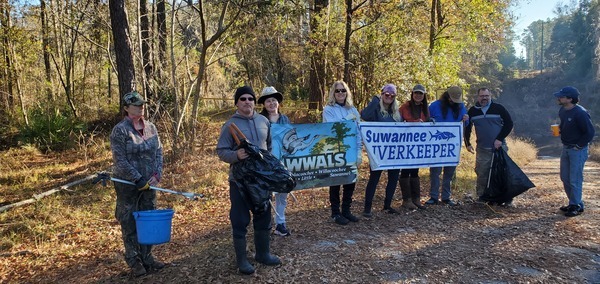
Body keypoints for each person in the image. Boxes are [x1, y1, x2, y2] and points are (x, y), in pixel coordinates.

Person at [216, 86, 281, 275]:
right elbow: (221, 151)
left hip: (261, 180)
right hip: (240, 180)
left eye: (250, 99)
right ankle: (242, 261)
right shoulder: (229, 125)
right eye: (242, 99)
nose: (247, 102)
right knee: (240, 218)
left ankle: (263, 254)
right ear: (237, 102)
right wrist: (236, 154)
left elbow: (269, 146)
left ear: (254, 102)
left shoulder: (263, 121)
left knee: (263, 216)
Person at [110, 91, 165, 277]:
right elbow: (120, 160)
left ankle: (147, 256)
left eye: (142, 104)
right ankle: (134, 261)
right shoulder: (120, 130)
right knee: (129, 221)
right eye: (136, 105)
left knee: (148, 218)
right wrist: (137, 178)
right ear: (126, 108)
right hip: (127, 185)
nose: (141, 107)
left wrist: (157, 174)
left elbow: (159, 151)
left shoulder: (151, 127)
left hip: (150, 184)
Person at [464, 87, 514, 205]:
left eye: (486, 96)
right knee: (482, 173)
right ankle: (482, 197)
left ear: (490, 96)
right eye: (482, 96)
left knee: (502, 172)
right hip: (482, 148)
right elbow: (467, 127)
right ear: (478, 97)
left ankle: (506, 199)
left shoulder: (499, 108)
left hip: (499, 147)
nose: (484, 98)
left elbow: (509, 124)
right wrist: (468, 144)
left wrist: (499, 139)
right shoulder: (472, 111)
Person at [323, 80, 363, 225]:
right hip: (335, 149)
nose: (341, 93)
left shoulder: (352, 110)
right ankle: (335, 213)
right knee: (336, 181)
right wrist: (347, 121)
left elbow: (358, 132)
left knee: (349, 181)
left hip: (351, 150)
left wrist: (359, 150)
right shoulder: (328, 109)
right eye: (338, 91)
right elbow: (334, 128)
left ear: (347, 92)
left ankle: (346, 210)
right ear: (334, 93)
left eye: (343, 90)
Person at [360, 83, 404, 216]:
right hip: (378, 152)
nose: (389, 97)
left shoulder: (396, 113)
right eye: (386, 94)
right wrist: (375, 99)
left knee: (393, 178)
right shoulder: (375, 109)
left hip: (394, 151)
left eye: (392, 95)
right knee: (374, 178)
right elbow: (365, 116)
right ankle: (367, 208)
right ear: (382, 94)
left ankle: (387, 205)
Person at [553, 86, 595, 217]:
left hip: (578, 150)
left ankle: (575, 205)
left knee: (574, 179)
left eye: (561, 96)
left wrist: (579, 146)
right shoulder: (563, 110)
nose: (558, 98)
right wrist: (559, 129)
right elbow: (564, 124)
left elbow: (590, 132)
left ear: (570, 99)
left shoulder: (580, 113)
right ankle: (576, 203)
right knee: (565, 177)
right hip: (566, 147)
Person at [258, 86, 292, 236]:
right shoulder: (259, 120)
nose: (271, 103)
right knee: (266, 195)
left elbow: (291, 136)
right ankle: (265, 225)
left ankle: (280, 223)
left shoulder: (285, 119)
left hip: (283, 162)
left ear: (278, 102)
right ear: (264, 104)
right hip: (266, 162)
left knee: (282, 193)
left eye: (274, 100)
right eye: (268, 101)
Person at [426, 86, 469, 206]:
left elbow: (466, 123)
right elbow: (426, 121)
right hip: (436, 145)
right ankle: (433, 196)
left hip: (452, 146)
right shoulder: (434, 106)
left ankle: (446, 196)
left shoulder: (460, 107)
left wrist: (466, 119)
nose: (453, 102)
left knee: (449, 172)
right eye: (451, 99)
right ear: (447, 96)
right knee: (435, 171)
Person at [398, 84, 430, 210]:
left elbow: (427, 122)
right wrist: (413, 123)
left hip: (418, 145)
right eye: (416, 93)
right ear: (412, 94)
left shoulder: (425, 108)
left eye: (420, 93)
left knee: (415, 171)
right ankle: (407, 200)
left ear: (424, 95)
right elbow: (400, 122)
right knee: (405, 170)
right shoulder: (405, 106)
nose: (418, 95)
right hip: (406, 144)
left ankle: (416, 198)